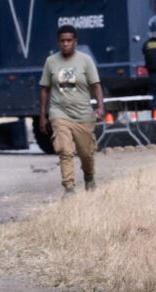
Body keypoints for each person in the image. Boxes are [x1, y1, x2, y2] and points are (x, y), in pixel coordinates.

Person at [39, 25, 104, 195]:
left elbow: (96, 85)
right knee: (64, 150)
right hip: (59, 112)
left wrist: (100, 106)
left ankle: (89, 177)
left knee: (86, 153)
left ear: (75, 41)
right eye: (62, 41)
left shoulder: (85, 60)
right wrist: (42, 116)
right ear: (58, 42)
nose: (66, 44)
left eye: (69, 40)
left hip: (83, 114)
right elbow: (44, 89)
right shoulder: (51, 62)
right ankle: (69, 188)